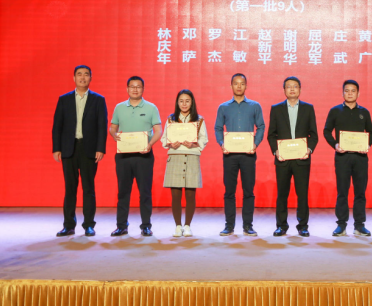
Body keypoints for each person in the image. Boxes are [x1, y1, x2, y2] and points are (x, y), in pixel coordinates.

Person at [51, 65, 108, 237]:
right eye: (79, 74)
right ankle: (68, 225)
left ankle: (89, 225)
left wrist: (100, 148)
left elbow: (102, 126)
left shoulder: (98, 100)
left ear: (91, 78)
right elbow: (57, 126)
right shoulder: (64, 99)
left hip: (89, 149)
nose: (82, 77)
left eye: (86, 75)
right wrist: (56, 148)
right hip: (69, 148)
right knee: (70, 188)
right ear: (74, 78)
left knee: (88, 188)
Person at [109, 76, 162, 237]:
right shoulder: (119, 107)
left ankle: (146, 226)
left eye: (138, 86)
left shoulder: (151, 108)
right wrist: (114, 135)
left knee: (145, 192)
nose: (135, 89)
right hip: (123, 156)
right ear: (127, 89)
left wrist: (150, 144)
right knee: (123, 192)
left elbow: (158, 130)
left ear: (143, 89)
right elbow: (112, 128)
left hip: (144, 156)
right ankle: (121, 226)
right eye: (132, 86)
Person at [267, 77, 319, 237]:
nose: (292, 89)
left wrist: (309, 149)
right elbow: (271, 135)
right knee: (282, 194)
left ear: (300, 89)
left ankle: (303, 226)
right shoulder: (276, 109)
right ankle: (281, 226)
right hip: (282, 159)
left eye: (295, 86)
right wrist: (276, 151)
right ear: (284, 90)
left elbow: (314, 135)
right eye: (288, 86)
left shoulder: (308, 108)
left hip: (302, 159)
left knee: (302, 194)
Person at [215, 73, 265, 237]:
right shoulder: (223, 107)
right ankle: (229, 226)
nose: (239, 86)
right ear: (231, 86)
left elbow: (261, 126)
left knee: (248, 191)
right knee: (229, 191)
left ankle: (248, 225)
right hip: (229, 154)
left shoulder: (254, 106)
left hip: (248, 154)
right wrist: (222, 143)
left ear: (246, 86)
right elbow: (218, 128)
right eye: (236, 83)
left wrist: (255, 144)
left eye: (242, 83)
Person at [323, 80, 372, 237]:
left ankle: (359, 225)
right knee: (342, 191)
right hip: (342, 157)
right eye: (347, 90)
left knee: (360, 192)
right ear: (343, 93)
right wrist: (335, 144)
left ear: (358, 93)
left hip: (360, 157)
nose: (350, 93)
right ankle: (341, 225)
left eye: (353, 90)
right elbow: (326, 131)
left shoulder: (364, 112)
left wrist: (367, 145)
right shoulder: (335, 111)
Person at [161, 89, 209, 238]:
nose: (184, 104)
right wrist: (170, 144)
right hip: (175, 157)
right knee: (175, 195)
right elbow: (164, 139)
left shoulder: (199, 120)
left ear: (192, 102)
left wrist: (194, 144)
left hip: (192, 157)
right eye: (181, 101)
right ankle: (177, 226)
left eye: (187, 101)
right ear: (177, 103)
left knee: (190, 195)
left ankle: (187, 226)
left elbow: (204, 139)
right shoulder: (171, 119)